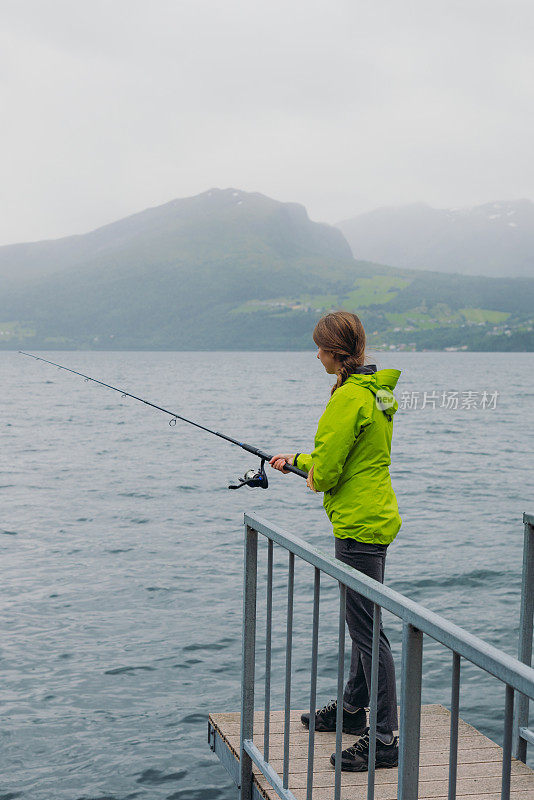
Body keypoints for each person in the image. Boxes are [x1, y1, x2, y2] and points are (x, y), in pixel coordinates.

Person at [269, 310, 401, 772]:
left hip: (357, 526)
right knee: (363, 625)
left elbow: (325, 473)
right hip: (375, 515)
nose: (316, 355)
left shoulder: (348, 399)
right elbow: (345, 458)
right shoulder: (375, 392)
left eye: (319, 347)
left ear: (335, 351)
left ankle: (383, 739)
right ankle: (350, 709)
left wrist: (299, 467)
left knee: (368, 634)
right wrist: (299, 460)